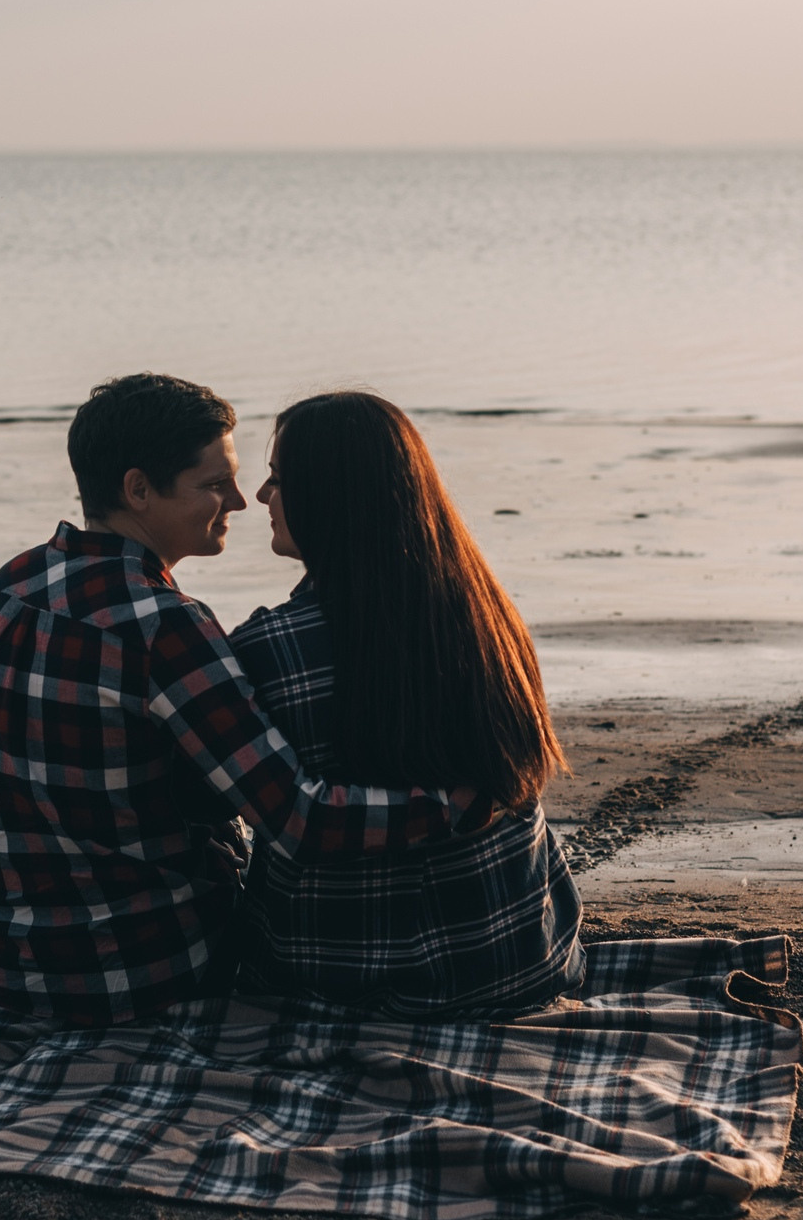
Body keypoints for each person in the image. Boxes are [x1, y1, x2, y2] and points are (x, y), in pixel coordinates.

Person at [0, 373, 479, 1024]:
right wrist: (450, 805)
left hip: (2, 958)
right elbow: (298, 821)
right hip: (142, 969)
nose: (239, 499)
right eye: (213, 483)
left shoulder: (5, 588)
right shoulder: (165, 626)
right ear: (138, 489)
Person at [228, 391, 584, 1017]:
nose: (261, 496)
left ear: (328, 497)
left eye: (279, 479)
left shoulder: (267, 651)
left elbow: (274, 818)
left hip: (335, 983)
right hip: (522, 959)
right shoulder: (489, 618)